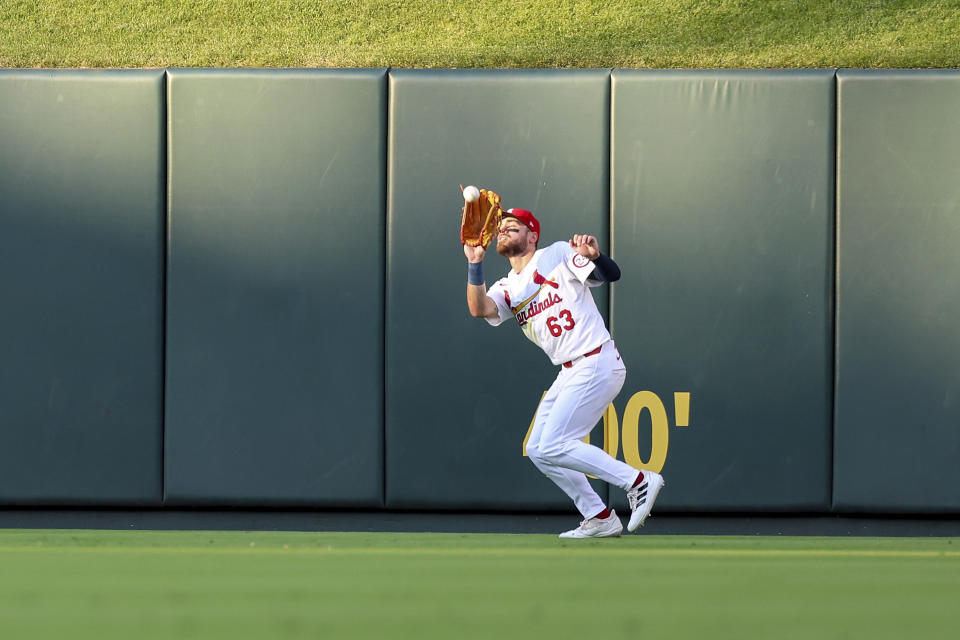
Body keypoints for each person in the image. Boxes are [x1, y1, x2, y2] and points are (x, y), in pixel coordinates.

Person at [463, 207, 665, 538]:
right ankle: (599, 516)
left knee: (556, 442)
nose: (504, 230)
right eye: (501, 228)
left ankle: (638, 481)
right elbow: (479, 309)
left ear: (533, 235)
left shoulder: (556, 253)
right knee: (540, 450)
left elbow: (609, 275)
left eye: (513, 226)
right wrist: (474, 262)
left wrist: (596, 256)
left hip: (595, 359)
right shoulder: (507, 286)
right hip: (569, 370)